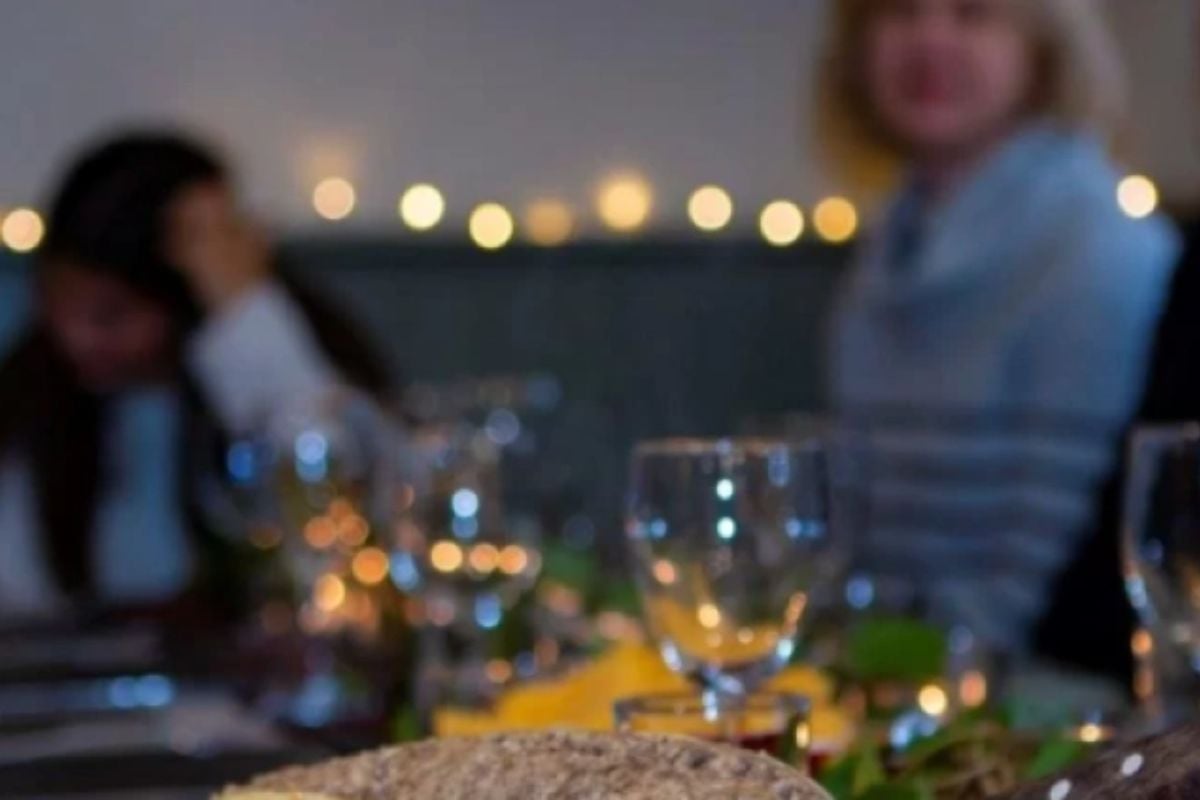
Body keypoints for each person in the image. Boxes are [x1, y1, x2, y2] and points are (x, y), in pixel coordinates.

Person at [819, 0, 1179, 655]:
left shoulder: (1096, 247)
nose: (930, 40)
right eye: (899, 10)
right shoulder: (887, 251)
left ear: (1042, 50)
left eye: (973, 13)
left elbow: (1043, 582)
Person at [0, 132, 393, 621]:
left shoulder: (275, 358)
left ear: (182, 300)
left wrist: (242, 308)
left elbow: (336, 508)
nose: (73, 336)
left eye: (110, 315)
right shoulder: (32, 394)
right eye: (53, 302)